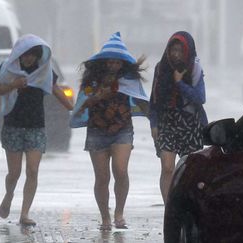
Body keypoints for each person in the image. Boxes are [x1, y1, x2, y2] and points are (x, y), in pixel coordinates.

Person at [0, 34, 73, 226]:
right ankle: (9, 195)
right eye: (25, 55)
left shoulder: (45, 71)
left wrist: (73, 108)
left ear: (38, 56)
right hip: (13, 125)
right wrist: (13, 85)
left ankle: (25, 213)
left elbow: (55, 89)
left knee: (33, 170)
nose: (29, 59)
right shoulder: (8, 69)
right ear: (19, 55)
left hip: (36, 126)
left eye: (33, 55)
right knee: (14, 173)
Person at [74, 32, 148, 230]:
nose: (114, 65)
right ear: (104, 61)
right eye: (111, 62)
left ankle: (119, 213)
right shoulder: (92, 80)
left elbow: (141, 100)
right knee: (102, 177)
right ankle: (105, 217)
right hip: (97, 131)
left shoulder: (129, 79)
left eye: (118, 62)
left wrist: (155, 120)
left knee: (121, 171)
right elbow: (82, 105)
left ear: (123, 63)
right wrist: (99, 96)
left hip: (122, 130)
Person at [149, 31, 207, 204]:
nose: (176, 54)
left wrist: (180, 83)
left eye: (180, 50)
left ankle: (187, 206)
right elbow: (154, 99)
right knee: (167, 167)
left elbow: (200, 98)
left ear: (187, 51)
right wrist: (154, 123)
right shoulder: (161, 68)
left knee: (190, 171)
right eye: (173, 50)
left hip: (190, 124)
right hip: (167, 122)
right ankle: (169, 209)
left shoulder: (195, 68)